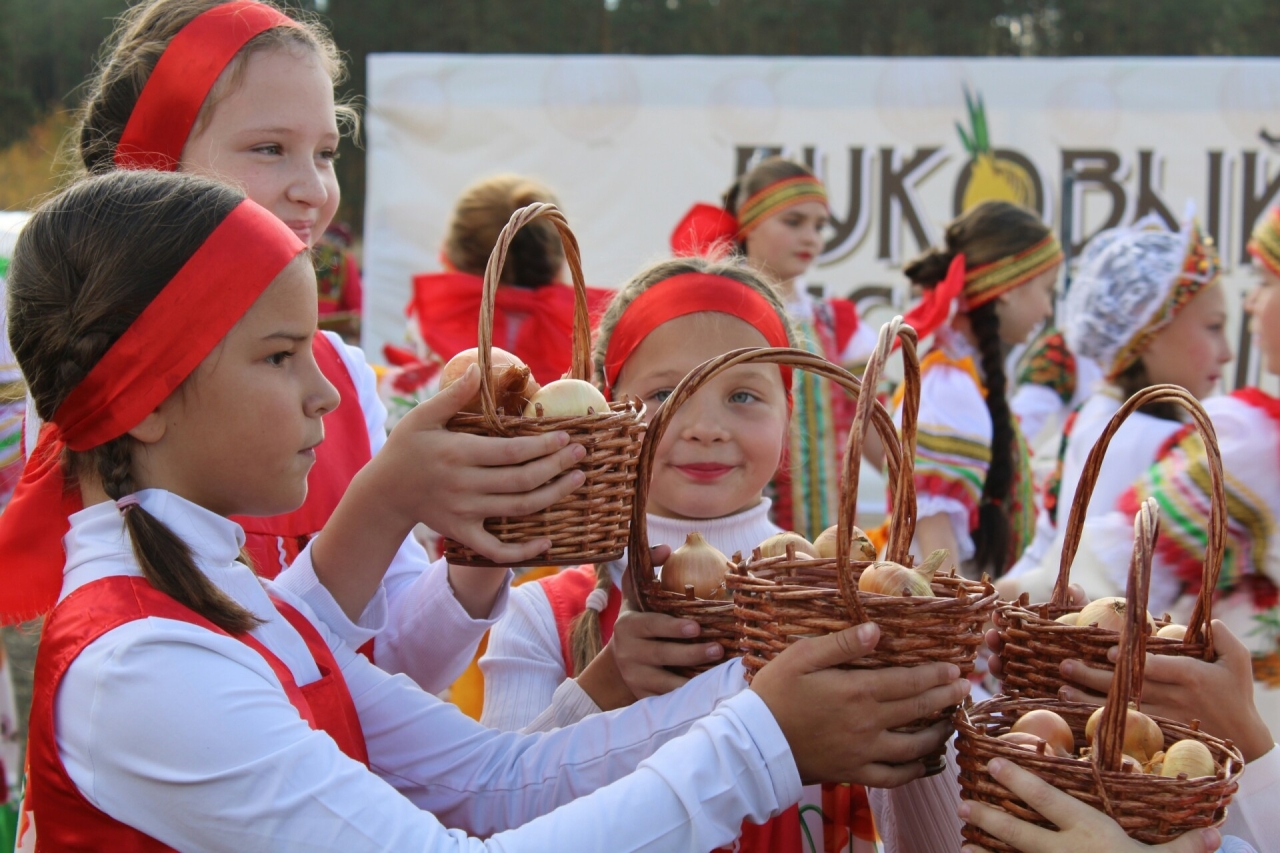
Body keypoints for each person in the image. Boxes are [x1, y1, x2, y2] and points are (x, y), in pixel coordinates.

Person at [3, 167, 967, 850]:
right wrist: (764, 738)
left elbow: (494, 779)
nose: (326, 395)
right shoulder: (144, 664)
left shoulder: (223, 600)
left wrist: (782, 683)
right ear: (149, 396)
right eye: (278, 355)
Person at [71, 0, 581, 691]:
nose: (314, 190)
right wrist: (385, 498)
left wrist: (484, 545)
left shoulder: (339, 376)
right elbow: (213, 691)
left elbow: (396, 668)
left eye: (326, 153)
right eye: (269, 149)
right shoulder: (100, 380)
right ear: (154, 170)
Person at [481, 257, 883, 850]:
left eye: (743, 394)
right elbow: (493, 814)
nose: (704, 427)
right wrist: (604, 687)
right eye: (665, 393)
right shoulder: (542, 615)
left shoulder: (846, 600)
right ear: (606, 413)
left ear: (789, 416)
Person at [1063, 206, 1280, 738]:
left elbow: (1103, 584)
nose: (1253, 304)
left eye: (1264, 281)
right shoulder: (1203, 435)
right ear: (1149, 332)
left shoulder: (1248, 438)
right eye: (1213, 326)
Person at [1000, 217, 1231, 602]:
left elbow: (1045, 550)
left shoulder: (1093, 416)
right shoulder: (1152, 439)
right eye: (1214, 327)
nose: (1227, 352)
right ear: (1149, 334)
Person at [672, 157, 877, 541]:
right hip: (734, 529)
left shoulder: (835, 321)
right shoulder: (717, 312)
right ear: (749, 224)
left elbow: (869, 425)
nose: (811, 238)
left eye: (819, 226)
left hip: (825, 539)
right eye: (794, 222)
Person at [894, 200, 1061, 578]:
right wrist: (962, 630)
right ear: (1007, 289)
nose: (1048, 309)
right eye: (1047, 290)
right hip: (944, 621)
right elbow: (937, 554)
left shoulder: (965, 381)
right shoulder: (948, 387)